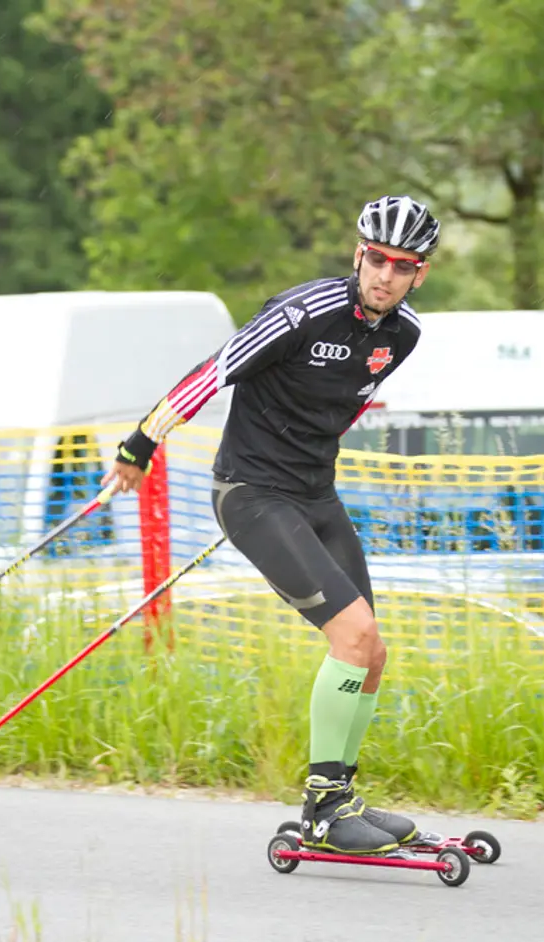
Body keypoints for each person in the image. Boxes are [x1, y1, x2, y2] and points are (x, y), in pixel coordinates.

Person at [103, 195, 445, 856]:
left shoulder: (403, 336)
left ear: (418, 276)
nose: (384, 274)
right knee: (354, 634)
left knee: (371, 652)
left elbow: (341, 408)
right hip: (254, 494)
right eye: (375, 258)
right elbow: (215, 372)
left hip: (315, 496)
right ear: (358, 255)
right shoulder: (302, 312)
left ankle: (341, 796)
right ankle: (321, 811)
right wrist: (142, 443)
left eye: (401, 266)